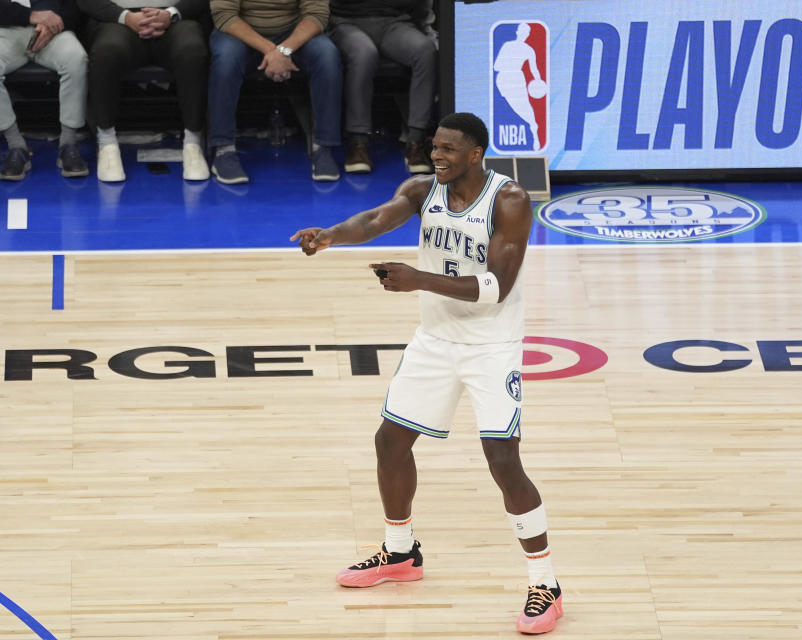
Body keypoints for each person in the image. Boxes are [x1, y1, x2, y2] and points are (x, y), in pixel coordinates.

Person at [290, 112, 563, 635]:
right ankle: (399, 553)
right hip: (435, 341)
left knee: (504, 461)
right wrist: (330, 236)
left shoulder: (509, 201)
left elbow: (495, 288)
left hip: (490, 346)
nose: (436, 155)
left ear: (476, 154)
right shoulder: (422, 188)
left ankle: (545, 583)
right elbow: (375, 219)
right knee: (390, 442)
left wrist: (419, 279)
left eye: (448, 149)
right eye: (434, 146)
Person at [208, 0, 341, 185]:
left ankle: (324, 147)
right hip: (240, 32)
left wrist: (285, 49)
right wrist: (272, 51)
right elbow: (224, 15)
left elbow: (317, 15)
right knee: (226, 61)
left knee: (327, 55)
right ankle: (223, 149)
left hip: (292, 32)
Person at [78, 0, 210, 182]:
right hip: (115, 20)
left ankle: (193, 143)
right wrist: (126, 17)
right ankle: (107, 143)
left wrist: (170, 14)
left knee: (192, 50)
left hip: (177, 19)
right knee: (107, 51)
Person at [328, 0, 435, 175]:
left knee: (425, 50)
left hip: (394, 21)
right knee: (364, 54)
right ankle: (358, 141)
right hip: (346, 21)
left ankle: (416, 141)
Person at [0, 0, 88, 180]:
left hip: (55, 30)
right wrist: (30, 15)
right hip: (5, 31)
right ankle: (16, 146)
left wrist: (54, 23)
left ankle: (68, 144)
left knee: (76, 59)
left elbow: (77, 7)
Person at [493, 21, 543, 150]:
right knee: (514, 107)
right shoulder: (507, 45)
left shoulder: (529, 50)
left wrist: (539, 82)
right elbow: (496, 66)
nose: (524, 34)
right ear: (517, 32)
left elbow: (534, 69)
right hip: (504, 79)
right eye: (522, 31)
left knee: (525, 107)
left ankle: (535, 133)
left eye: (526, 33)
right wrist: (509, 63)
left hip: (517, 79)